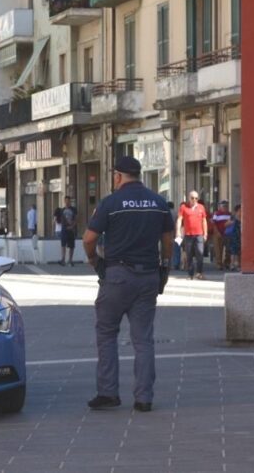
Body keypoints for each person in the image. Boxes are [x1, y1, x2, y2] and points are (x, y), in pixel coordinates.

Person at [83, 156, 173, 413]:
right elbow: (168, 241)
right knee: (143, 339)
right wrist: (165, 268)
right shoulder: (158, 202)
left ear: (119, 176)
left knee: (107, 333)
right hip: (148, 277)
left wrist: (94, 261)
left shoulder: (111, 203)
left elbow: (89, 239)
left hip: (117, 276)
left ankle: (108, 392)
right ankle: (144, 398)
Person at [178, 191, 208, 280]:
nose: (194, 200)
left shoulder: (201, 207)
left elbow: (204, 221)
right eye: (192, 198)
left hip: (199, 234)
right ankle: (190, 274)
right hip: (188, 235)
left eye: (196, 198)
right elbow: (179, 219)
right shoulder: (184, 207)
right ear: (189, 198)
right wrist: (178, 232)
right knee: (189, 255)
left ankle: (199, 272)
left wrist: (205, 233)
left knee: (200, 253)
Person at [211, 200, 232, 270]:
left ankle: (227, 263)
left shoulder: (229, 214)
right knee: (218, 249)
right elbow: (213, 224)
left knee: (228, 249)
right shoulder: (216, 214)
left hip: (227, 234)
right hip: (218, 234)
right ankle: (219, 264)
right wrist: (217, 232)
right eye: (224, 206)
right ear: (220, 207)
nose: (225, 207)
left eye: (226, 206)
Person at [58, 196, 78, 266]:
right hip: (64, 229)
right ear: (64, 201)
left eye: (68, 201)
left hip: (71, 230)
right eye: (66, 201)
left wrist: (72, 226)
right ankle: (63, 259)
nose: (67, 202)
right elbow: (61, 220)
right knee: (63, 245)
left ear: (70, 201)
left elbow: (76, 219)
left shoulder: (73, 209)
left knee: (71, 246)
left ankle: (70, 260)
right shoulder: (62, 210)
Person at [226, 204, 243, 271]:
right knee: (233, 251)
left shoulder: (243, 217)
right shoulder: (233, 218)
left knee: (239, 251)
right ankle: (232, 264)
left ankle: (237, 264)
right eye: (240, 210)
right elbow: (226, 224)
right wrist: (231, 222)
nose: (241, 211)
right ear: (237, 211)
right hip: (233, 236)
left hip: (240, 236)